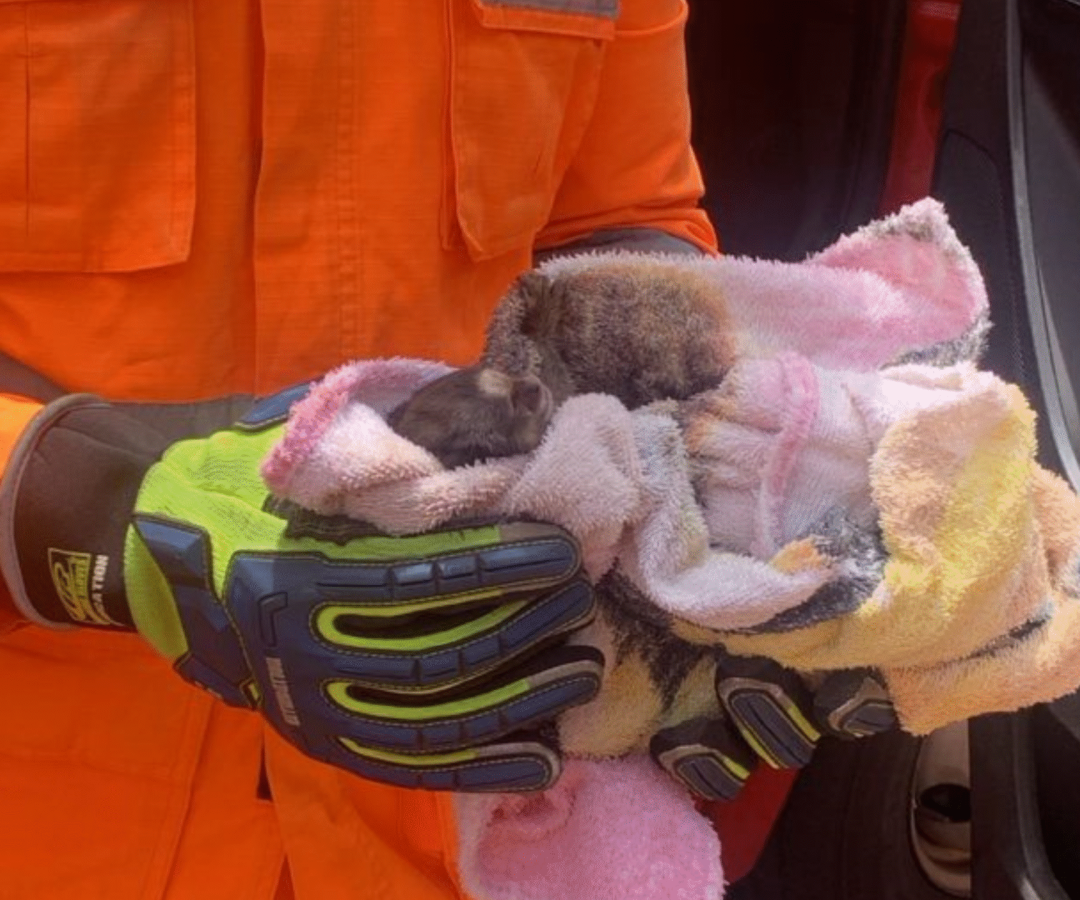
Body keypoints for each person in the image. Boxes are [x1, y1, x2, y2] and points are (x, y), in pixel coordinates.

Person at [0, 2, 835, 897]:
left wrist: (707, 502)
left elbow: (621, 218)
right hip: (56, 810)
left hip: (454, 806)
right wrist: (79, 508)